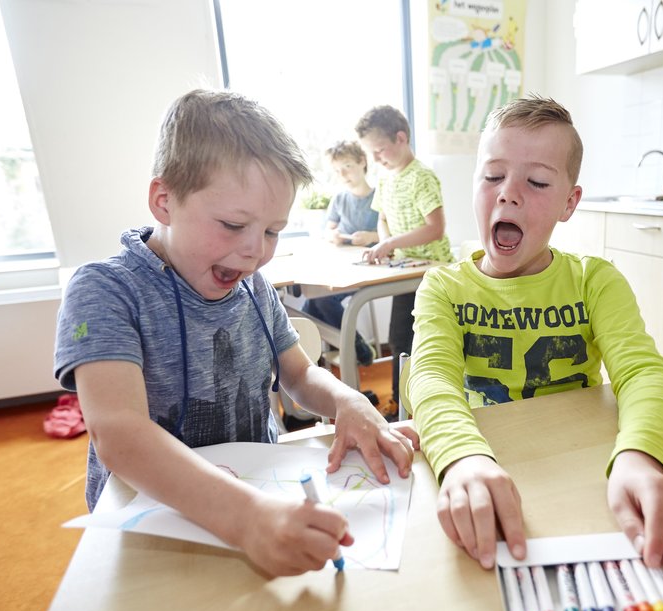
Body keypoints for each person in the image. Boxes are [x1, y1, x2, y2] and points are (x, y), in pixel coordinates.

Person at [53, 89, 417, 578]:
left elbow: (300, 374)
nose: (254, 252)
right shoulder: (105, 290)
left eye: (272, 231)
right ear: (164, 201)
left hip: (260, 503)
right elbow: (118, 434)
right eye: (232, 224)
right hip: (156, 521)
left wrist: (349, 403)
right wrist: (245, 517)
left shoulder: (254, 286)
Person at [404, 95, 663, 596]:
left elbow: (645, 374)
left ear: (570, 202)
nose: (508, 194)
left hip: (583, 472)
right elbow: (432, 379)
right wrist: (461, 458)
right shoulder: (443, 287)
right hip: (489, 466)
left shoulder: (596, 281)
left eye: (538, 182)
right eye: (492, 176)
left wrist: (642, 457)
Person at [355, 105, 454, 419]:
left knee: (415, 339)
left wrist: (390, 243)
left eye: (380, 150)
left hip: (430, 272)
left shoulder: (421, 176)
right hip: (404, 269)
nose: (376, 159)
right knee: (399, 338)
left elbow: (435, 227)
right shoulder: (385, 179)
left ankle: (415, 404)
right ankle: (400, 404)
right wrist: (385, 243)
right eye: (371, 153)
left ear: (401, 138)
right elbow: (382, 218)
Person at [302, 140, 379, 367]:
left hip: (370, 268)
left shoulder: (378, 197)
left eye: (347, 166)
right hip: (343, 266)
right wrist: (333, 235)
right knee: (312, 303)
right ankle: (352, 352)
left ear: (362, 162)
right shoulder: (339, 198)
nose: (343, 174)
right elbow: (328, 229)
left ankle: (356, 350)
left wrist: (372, 237)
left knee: (317, 303)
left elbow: (391, 232)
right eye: (337, 170)